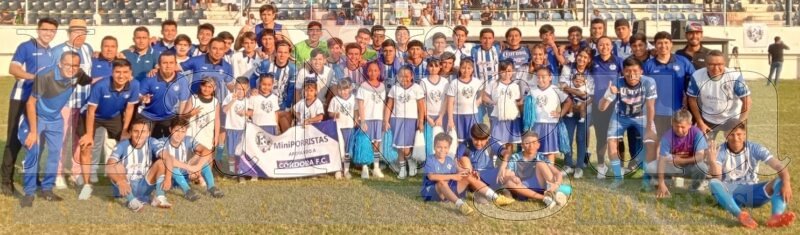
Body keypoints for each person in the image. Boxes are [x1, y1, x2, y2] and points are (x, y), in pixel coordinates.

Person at [19, 52, 91, 207]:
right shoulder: (45, 76)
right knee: (34, 150)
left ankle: (47, 189)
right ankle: (29, 192)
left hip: (55, 119)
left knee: (54, 154)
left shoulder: (78, 74)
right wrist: (33, 131)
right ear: (60, 64)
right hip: (36, 116)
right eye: (67, 65)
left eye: (75, 66)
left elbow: (92, 81)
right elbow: (30, 103)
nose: (71, 69)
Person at [2, 17, 58, 196]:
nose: (48, 33)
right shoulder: (26, 46)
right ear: (38, 29)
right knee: (14, 140)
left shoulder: (52, 52)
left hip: (39, 102)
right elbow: (13, 69)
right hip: (21, 99)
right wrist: (34, 78)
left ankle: (33, 178)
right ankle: (5, 181)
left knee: (36, 141)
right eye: (45, 29)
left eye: (52, 30)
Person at [708, 124, 796, 228]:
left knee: (780, 180)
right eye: (731, 135)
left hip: (753, 194)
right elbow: (717, 178)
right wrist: (712, 162)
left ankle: (776, 217)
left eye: (739, 134)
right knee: (713, 183)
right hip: (730, 195)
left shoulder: (755, 148)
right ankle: (740, 215)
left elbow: (779, 166)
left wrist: (786, 183)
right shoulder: (720, 150)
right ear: (725, 135)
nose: (736, 138)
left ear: (745, 135)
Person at [77, 59, 140, 200]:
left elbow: (130, 108)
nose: (121, 75)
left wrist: (125, 129)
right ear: (112, 72)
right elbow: (91, 111)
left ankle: (122, 181)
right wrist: (88, 134)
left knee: (126, 144)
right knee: (86, 146)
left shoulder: (135, 84)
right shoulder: (100, 86)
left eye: (125, 72)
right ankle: (86, 185)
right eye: (118, 72)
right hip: (91, 115)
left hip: (113, 116)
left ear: (130, 73)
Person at [422, 133, 515, 215]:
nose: (442, 150)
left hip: (448, 191)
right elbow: (431, 176)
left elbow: (459, 173)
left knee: (469, 176)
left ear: (449, 148)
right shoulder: (430, 159)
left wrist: (469, 172)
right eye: (439, 147)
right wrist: (453, 176)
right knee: (441, 183)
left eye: (445, 147)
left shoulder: (449, 160)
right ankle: (461, 205)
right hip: (433, 192)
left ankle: (496, 198)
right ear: (434, 147)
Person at [599, 57, 658, 188]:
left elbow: (650, 107)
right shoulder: (617, 82)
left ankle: (647, 179)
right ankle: (618, 178)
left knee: (651, 143)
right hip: (621, 116)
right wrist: (607, 94)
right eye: (627, 71)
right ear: (622, 72)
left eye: (635, 71)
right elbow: (601, 108)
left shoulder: (649, 82)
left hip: (642, 116)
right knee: (611, 143)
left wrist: (649, 127)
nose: (631, 75)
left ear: (641, 71)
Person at [52, 19, 94, 188]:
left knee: (79, 140)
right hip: (64, 103)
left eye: (82, 31)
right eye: (76, 31)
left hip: (83, 104)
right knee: (60, 140)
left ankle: (76, 172)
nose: (79, 34)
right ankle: (58, 173)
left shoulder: (88, 49)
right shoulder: (58, 51)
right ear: (69, 32)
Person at [103, 118, 171, 212]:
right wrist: (120, 181)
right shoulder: (122, 145)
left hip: (144, 184)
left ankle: (160, 197)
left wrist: (168, 177)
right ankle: (132, 201)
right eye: (136, 131)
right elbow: (109, 166)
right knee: (117, 166)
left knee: (161, 162)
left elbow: (168, 158)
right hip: (126, 186)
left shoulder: (152, 142)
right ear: (130, 132)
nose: (139, 135)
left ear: (148, 133)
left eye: (143, 131)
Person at [642, 31, 696, 141]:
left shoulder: (682, 61)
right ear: (655, 45)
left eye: (666, 42)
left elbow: (695, 80)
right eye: (660, 43)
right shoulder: (648, 65)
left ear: (671, 44)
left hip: (678, 111)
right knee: (660, 143)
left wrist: (688, 98)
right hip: (657, 112)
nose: (663, 46)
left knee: (679, 142)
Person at [687, 50, 751, 140]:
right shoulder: (697, 76)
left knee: (736, 147)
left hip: (732, 118)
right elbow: (692, 99)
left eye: (719, 64)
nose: (716, 68)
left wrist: (740, 122)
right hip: (708, 119)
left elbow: (747, 100)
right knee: (704, 149)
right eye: (711, 64)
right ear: (706, 64)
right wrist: (700, 122)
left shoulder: (734, 76)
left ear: (725, 63)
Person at [498, 132, 568, 208]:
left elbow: (557, 173)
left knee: (540, 163)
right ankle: (545, 198)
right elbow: (508, 173)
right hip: (522, 188)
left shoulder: (540, 157)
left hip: (541, 186)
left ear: (538, 145)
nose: (531, 146)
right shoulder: (515, 157)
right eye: (527, 143)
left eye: (534, 143)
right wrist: (513, 177)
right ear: (522, 145)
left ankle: (554, 192)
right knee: (509, 182)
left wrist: (557, 184)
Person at [162, 118, 223, 201]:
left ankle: (211, 187)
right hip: (170, 177)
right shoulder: (162, 143)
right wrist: (190, 168)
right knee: (172, 167)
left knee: (203, 163)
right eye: (177, 131)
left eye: (183, 131)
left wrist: (197, 167)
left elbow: (206, 151)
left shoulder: (188, 139)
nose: (179, 134)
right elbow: (170, 160)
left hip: (185, 173)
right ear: (170, 129)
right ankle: (187, 191)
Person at [651, 110, 708, 196]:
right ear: (672, 123)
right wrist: (661, 182)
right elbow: (662, 160)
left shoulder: (697, 134)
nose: (679, 130)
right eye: (676, 126)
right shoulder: (667, 136)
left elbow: (700, 156)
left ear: (690, 125)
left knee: (702, 167)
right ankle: (665, 183)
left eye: (682, 127)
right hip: (673, 165)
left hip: (690, 166)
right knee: (651, 167)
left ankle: (694, 188)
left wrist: (681, 161)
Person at [589, 36, 623, 178]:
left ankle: (619, 167)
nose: (604, 47)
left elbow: (626, 80)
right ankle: (601, 166)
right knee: (601, 137)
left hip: (615, 105)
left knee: (618, 137)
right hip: (598, 105)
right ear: (597, 46)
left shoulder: (619, 61)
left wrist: (618, 90)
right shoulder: (593, 62)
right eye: (601, 45)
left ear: (612, 46)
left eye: (607, 44)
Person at [384, 66, 425, 179]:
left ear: (412, 76)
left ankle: (411, 162)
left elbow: (421, 107)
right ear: (397, 77)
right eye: (401, 76)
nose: (404, 78)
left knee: (406, 147)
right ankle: (402, 168)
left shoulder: (417, 88)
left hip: (411, 120)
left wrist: (421, 121)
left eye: (407, 76)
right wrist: (386, 120)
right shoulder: (394, 89)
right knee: (399, 146)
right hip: (396, 120)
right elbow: (389, 106)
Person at [139, 52, 192, 139]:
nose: (168, 66)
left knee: (172, 140)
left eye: (171, 63)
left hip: (169, 116)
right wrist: (142, 98)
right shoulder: (150, 78)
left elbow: (183, 101)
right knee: (142, 140)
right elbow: (138, 96)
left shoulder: (182, 80)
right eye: (164, 63)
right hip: (148, 115)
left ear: (175, 65)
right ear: (159, 65)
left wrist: (179, 119)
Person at [559, 48, 593, 178]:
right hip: (569, 108)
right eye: (580, 56)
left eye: (585, 57)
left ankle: (579, 166)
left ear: (589, 60)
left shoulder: (590, 74)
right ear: (576, 56)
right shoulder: (568, 69)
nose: (582, 59)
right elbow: (562, 86)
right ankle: (568, 164)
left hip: (584, 109)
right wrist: (579, 93)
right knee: (567, 136)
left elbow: (591, 94)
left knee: (581, 138)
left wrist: (583, 102)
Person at [530, 67, 573, 164]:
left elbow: (568, 101)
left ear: (550, 77)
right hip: (535, 124)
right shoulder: (532, 91)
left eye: (543, 77)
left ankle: (550, 174)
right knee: (535, 150)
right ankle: (538, 173)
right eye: (538, 77)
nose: (540, 79)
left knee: (549, 152)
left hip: (550, 124)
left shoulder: (555, 89)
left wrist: (560, 114)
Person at [356, 61, 387, 179]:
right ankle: (365, 167)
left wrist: (384, 119)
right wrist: (362, 120)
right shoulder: (363, 86)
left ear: (379, 72)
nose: (373, 73)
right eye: (370, 70)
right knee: (366, 143)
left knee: (376, 143)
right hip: (367, 119)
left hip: (378, 119)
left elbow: (384, 105)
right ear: (366, 72)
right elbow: (360, 103)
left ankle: (376, 167)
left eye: (375, 70)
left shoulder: (382, 86)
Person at [182, 37, 234, 104]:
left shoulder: (227, 66)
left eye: (221, 49)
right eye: (214, 48)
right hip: (194, 102)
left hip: (214, 104)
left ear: (224, 50)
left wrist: (239, 92)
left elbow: (229, 84)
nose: (218, 52)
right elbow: (175, 69)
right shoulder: (196, 60)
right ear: (209, 48)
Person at [484, 61, 522, 145]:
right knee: (496, 141)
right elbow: (484, 96)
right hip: (498, 116)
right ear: (499, 72)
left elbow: (518, 101)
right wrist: (492, 102)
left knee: (509, 142)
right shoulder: (493, 83)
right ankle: (495, 157)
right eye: (503, 71)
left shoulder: (515, 86)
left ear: (512, 71)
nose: (506, 73)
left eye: (509, 70)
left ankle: (507, 158)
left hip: (512, 117)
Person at [446, 58, 482, 143]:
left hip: (472, 115)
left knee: (473, 137)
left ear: (472, 69)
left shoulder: (477, 82)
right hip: (458, 115)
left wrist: (478, 100)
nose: (466, 70)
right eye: (463, 68)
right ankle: (458, 155)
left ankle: (471, 155)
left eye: (469, 68)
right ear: (460, 69)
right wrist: (450, 119)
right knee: (458, 140)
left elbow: (481, 92)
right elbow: (450, 102)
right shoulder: (454, 83)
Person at [328, 78, 357, 179]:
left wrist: (356, 119)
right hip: (338, 128)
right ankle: (338, 170)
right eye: (341, 90)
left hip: (349, 127)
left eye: (345, 89)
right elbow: (330, 112)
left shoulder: (353, 98)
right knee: (339, 148)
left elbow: (356, 110)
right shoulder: (335, 99)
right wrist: (334, 114)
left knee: (347, 149)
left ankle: (346, 170)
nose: (343, 92)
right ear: (337, 90)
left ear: (350, 89)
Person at [222, 77, 249, 181]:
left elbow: (251, 113)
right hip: (231, 128)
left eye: (243, 89)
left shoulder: (249, 100)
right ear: (234, 88)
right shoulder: (229, 97)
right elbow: (224, 110)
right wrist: (233, 101)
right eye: (238, 88)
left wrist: (245, 113)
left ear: (247, 89)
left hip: (243, 130)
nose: (240, 91)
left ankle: (241, 171)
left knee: (241, 152)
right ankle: (232, 171)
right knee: (231, 152)